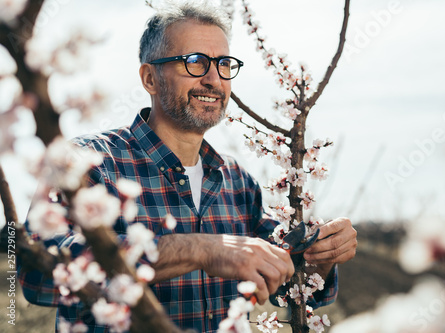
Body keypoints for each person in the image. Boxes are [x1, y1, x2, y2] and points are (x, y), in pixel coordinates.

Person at [19, 2, 357, 332]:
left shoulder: (238, 182)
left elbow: (294, 291)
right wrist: (199, 250)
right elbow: (38, 275)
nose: (213, 79)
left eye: (224, 64)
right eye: (194, 62)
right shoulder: (86, 163)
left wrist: (321, 258)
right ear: (150, 78)